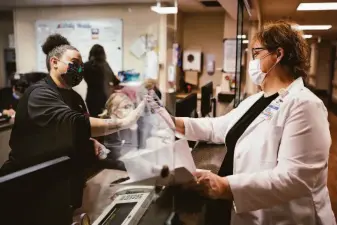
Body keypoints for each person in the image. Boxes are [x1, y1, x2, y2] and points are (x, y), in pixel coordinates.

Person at [148, 21, 336, 225]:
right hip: (252, 212)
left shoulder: (305, 105)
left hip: (286, 218)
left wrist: (224, 185)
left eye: (256, 53)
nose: (252, 61)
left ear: (278, 54)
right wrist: (171, 121)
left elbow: (295, 179)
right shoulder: (258, 100)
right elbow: (216, 127)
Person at [0, 34, 144, 210]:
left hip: (64, 183)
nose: (79, 69)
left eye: (81, 64)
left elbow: (63, 131)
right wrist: (123, 122)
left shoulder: (74, 97)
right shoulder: (39, 94)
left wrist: (87, 140)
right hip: (31, 187)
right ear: (54, 62)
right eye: (74, 62)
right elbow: (73, 123)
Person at [83, 44, 120, 117]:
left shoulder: (84, 66)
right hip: (104, 98)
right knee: (104, 120)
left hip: (91, 97)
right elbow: (115, 81)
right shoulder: (105, 65)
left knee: (94, 120)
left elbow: (77, 72)